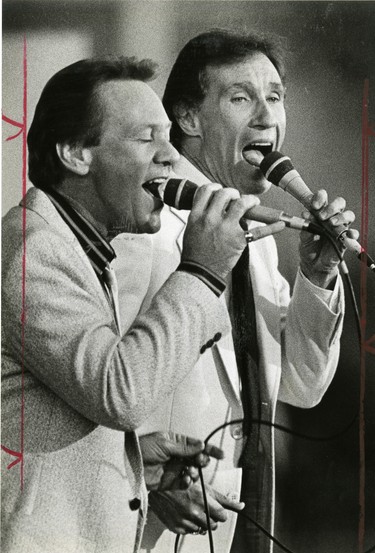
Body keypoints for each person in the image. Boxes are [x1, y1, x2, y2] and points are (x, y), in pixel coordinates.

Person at [1, 55, 268, 553]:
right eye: (147, 138)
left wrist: (133, 462)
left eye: (168, 138)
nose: (170, 156)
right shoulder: (32, 251)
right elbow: (121, 394)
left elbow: (51, 412)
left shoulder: (71, 244)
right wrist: (202, 270)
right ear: (76, 153)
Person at [110, 30, 358, 553]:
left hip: (233, 529)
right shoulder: (142, 227)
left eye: (275, 96)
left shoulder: (259, 239)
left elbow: (301, 388)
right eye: (241, 97)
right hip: (144, 533)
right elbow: (92, 383)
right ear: (189, 118)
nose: (267, 116)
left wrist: (316, 278)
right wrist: (144, 480)